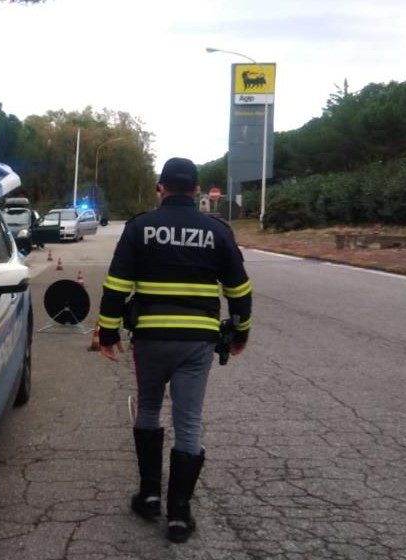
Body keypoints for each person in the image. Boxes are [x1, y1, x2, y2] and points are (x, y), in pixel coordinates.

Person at [95, 157, 252, 543]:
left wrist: (108, 332)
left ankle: (149, 496)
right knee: (189, 420)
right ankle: (180, 515)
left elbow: (115, 285)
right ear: (197, 191)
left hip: (150, 337)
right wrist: (241, 331)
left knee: (148, 408)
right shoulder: (217, 231)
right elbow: (239, 289)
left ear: (160, 188)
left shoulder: (140, 228)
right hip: (197, 342)